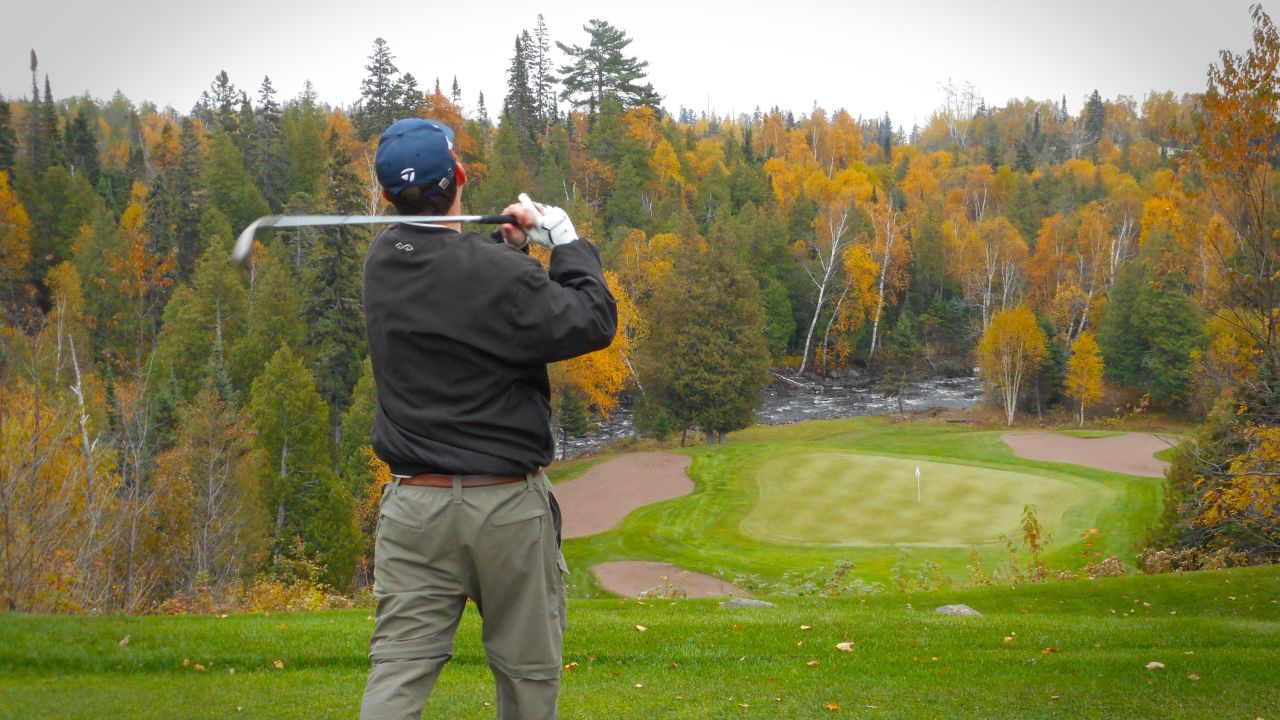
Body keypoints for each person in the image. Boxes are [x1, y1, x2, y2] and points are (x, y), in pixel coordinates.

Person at [359, 117, 618, 720]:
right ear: (460, 176)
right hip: (504, 509)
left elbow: (461, 285)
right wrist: (568, 244)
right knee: (527, 677)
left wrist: (509, 250)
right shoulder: (502, 277)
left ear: (388, 196)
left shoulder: (381, 262)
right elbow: (591, 320)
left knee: (397, 673)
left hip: (413, 510)